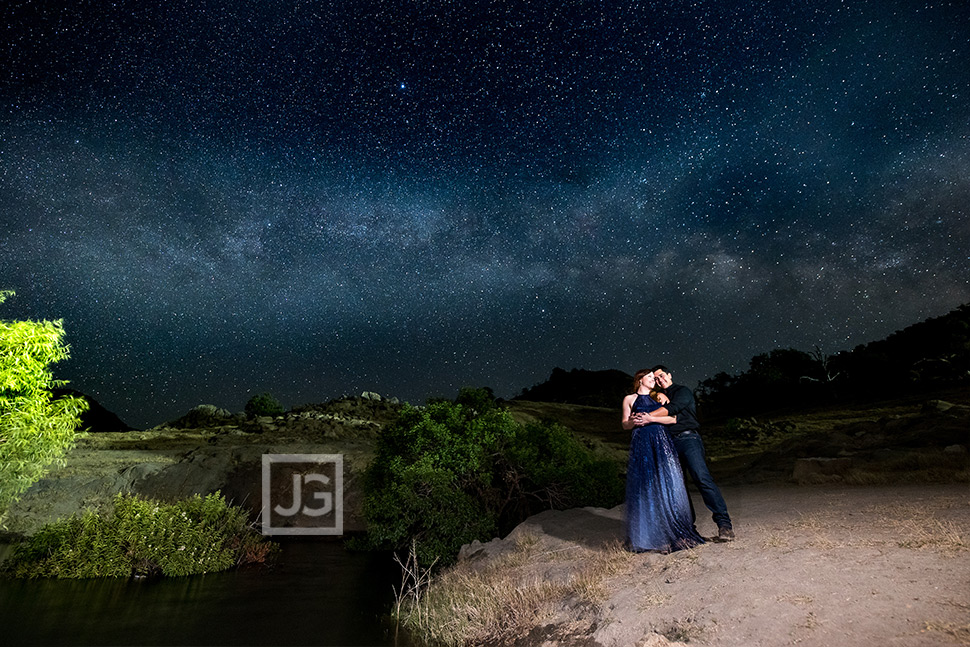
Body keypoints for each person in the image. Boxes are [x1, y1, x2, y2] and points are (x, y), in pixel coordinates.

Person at [621, 369, 705, 553]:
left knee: (665, 483)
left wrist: (650, 418)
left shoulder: (660, 397)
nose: (654, 380)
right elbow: (624, 424)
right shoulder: (629, 399)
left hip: (660, 440)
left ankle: (672, 532)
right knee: (646, 485)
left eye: (655, 377)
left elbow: (673, 419)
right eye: (650, 377)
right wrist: (634, 422)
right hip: (641, 442)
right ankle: (649, 537)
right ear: (640, 380)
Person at [651, 364, 734, 541]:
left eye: (662, 376)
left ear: (670, 374)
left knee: (701, 478)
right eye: (656, 379)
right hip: (670, 444)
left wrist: (649, 417)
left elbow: (672, 409)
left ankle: (724, 525)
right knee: (678, 487)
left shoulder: (683, 391)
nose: (659, 380)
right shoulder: (658, 396)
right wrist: (655, 395)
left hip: (688, 440)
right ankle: (688, 529)